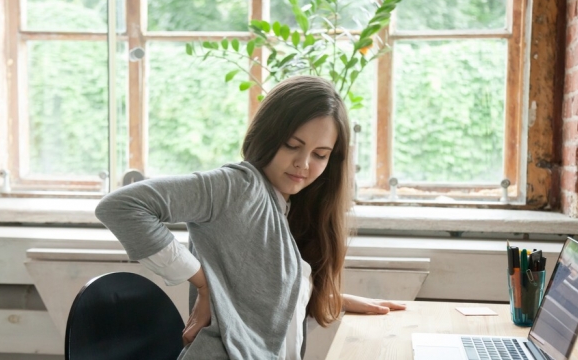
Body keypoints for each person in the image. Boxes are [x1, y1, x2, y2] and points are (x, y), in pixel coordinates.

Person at [95, 75, 406, 360]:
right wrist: (204, 283)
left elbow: (259, 291)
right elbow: (120, 206)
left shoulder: (283, 205)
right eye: (292, 146)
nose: (303, 163)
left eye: (320, 154)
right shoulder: (236, 187)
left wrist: (321, 296)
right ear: (268, 135)